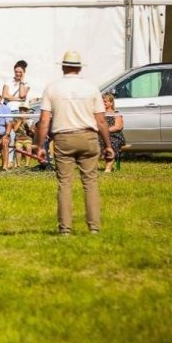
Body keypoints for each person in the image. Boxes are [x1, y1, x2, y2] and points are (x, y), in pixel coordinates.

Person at [36, 51, 115, 235]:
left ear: (63, 67)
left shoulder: (52, 88)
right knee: (90, 182)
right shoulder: (91, 88)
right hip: (88, 137)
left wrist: (40, 146)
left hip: (63, 138)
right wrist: (108, 146)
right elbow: (101, 121)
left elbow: (44, 121)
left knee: (65, 184)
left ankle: (65, 229)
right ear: (79, 68)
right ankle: (94, 227)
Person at [100, 92, 126, 173]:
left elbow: (117, 127)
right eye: (102, 101)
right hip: (101, 135)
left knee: (112, 143)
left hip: (114, 136)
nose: (103, 103)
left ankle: (108, 168)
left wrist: (104, 130)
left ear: (111, 103)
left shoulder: (116, 113)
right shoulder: (100, 114)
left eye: (105, 101)